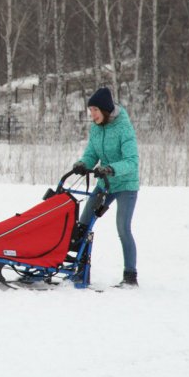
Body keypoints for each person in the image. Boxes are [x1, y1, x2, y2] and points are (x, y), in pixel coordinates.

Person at [72, 87, 140, 288]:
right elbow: (92, 153)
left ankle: (130, 277)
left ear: (105, 109)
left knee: (123, 228)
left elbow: (132, 161)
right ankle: (80, 271)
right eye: (90, 110)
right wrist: (83, 163)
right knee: (83, 225)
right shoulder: (96, 128)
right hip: (105, 183)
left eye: (95, 110)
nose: (92, 115)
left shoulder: (123, 128)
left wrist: (111, 169)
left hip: (126, 184)